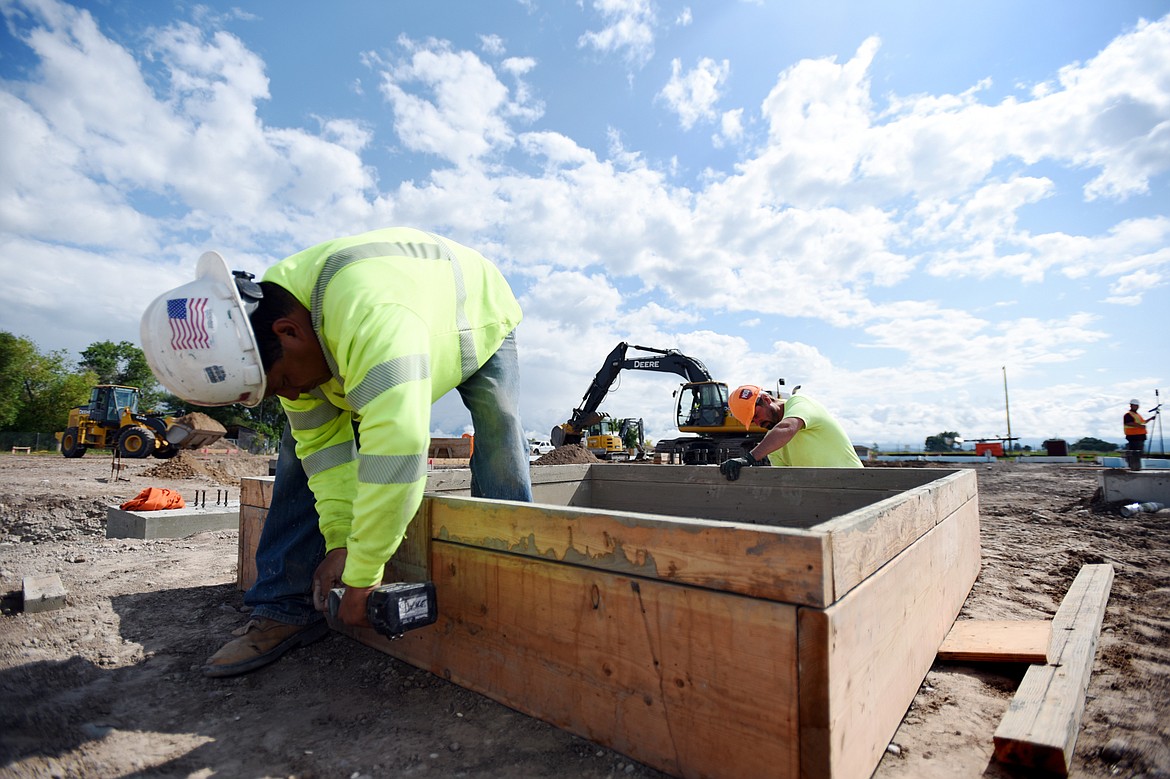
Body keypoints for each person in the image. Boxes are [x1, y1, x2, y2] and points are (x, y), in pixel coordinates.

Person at [140, 227, 533, 676]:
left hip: (477, 307)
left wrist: (363, 574)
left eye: (284, 383)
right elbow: (325, 456)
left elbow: (399, 449)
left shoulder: (374, 318)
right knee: (296, 452)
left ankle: (517, 579)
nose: (292, 393)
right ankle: (285, 609)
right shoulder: (261, 327)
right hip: (382, 323)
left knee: (500, 426)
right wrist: (341, 544)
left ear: (287, 332)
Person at [718, 384, 862, 480]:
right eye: (752, 422)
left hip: (856, 483)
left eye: (756, 415)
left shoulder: (800, 402)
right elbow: (787, 479)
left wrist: (748, 459)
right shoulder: (772, 444)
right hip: (823, 492)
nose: (758, 422)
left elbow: (787, 427)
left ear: (766, 399)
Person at [1123, 398, 1153, 467]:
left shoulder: (1137, 415)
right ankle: (1133, 466)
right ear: (1131, 406)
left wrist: (1150, 419)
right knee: (1134, 453)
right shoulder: (1128, 415)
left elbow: (1143, 422)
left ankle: (1136, 466)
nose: (1136, 407)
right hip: (1133, 437)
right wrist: (1140, 426)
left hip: (1140, 437)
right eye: (1134, 405)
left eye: (1137, 405)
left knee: (1139, 453)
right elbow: (1128, 423)